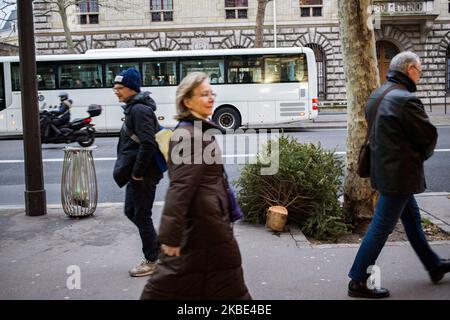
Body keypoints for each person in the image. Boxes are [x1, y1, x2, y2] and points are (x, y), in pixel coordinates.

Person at [140, 72, 252, 300]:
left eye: (212, 93)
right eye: (204, 94)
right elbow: (180, 187)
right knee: (172, 284)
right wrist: (170, 237)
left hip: (208, 223)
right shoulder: (189, 135)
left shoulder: (198, 130)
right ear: (187, 101)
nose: (211, 98)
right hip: (204, 227)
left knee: (221, 284)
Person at [347, 51, 450, 298]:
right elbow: (427, 136)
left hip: (383, 172)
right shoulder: (405, 99)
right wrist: (421, 156)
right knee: (381, 226)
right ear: (411, 69)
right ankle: (358, 280)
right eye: (420, 70)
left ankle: (433, 265)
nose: (421, 74)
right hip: (399, 176)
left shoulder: (378, 94)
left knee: (412, 220)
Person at [112, 68, 163, 277]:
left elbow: (148, 143)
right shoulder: (133, 108)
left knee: (141, 215)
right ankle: (157, 249)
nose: (116, 91)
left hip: (144, 174)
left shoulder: (139, 110)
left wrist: (138, 173)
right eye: (115, 87)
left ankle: (152, 260)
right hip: (138, 172)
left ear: (132, 88)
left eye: (120, 88)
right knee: (131, 211)